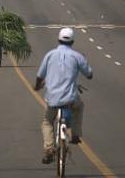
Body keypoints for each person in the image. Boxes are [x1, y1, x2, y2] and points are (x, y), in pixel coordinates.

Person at [34, 28, 93, 164]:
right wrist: (84, 64)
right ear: (72, 41)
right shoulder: (77, 56)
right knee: (79, 107)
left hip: (52, 99)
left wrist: (37, 87)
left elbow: (39, 76)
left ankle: (49, 148)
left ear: (58, 40)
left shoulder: (50, 55)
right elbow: (89, 74)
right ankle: (76, 134)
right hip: (70, 99)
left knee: (47, 122)